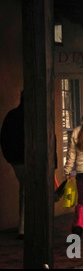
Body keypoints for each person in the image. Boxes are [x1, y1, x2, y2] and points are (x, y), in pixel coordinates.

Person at [63, 107, 83, 237]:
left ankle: (78, 225)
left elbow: (71, 156)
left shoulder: (75, 132)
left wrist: (68, 171)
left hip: (82, 173)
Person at [0, 91, 25, 239]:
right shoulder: (33, 117)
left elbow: (4, 138)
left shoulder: (11, 116)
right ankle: (23, 228)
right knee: (28, 191)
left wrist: (10, 158)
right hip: (25, 159)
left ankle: (24, 227)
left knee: (25, 190)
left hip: (16, 160)